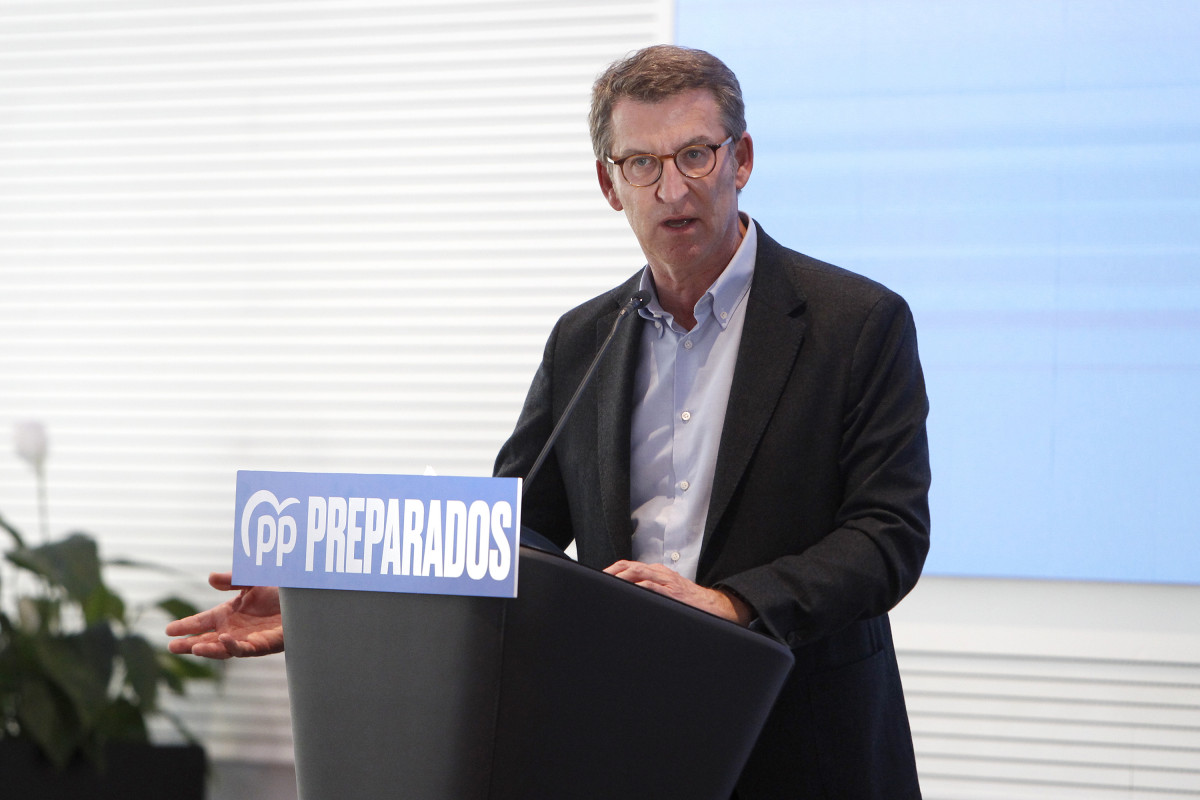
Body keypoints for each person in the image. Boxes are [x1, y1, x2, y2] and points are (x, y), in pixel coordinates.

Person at [168, 45, 930, 799]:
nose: (672, 189)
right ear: (609, 183)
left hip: (804, 739)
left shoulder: (856, 323)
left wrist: (732, 604)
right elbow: (509, 533)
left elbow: (887, 534)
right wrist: (325, 604)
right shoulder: (582, 339)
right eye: (642, 164)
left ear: (743, 159)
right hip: (620, 735)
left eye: (696, 155)